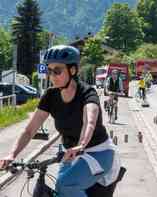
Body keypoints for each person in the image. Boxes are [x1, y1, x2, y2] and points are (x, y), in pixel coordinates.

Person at [0, 45, 120, 197]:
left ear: (73, 70)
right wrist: (12, 154)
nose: (52, 75)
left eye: (57, 71)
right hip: (69, 153)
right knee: (60, 188)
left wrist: (81, 145)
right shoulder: (50, 95)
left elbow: (89, 121)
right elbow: (30, 130)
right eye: (49, 70)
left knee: (66, 184)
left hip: (98, 152)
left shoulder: (87, 93)